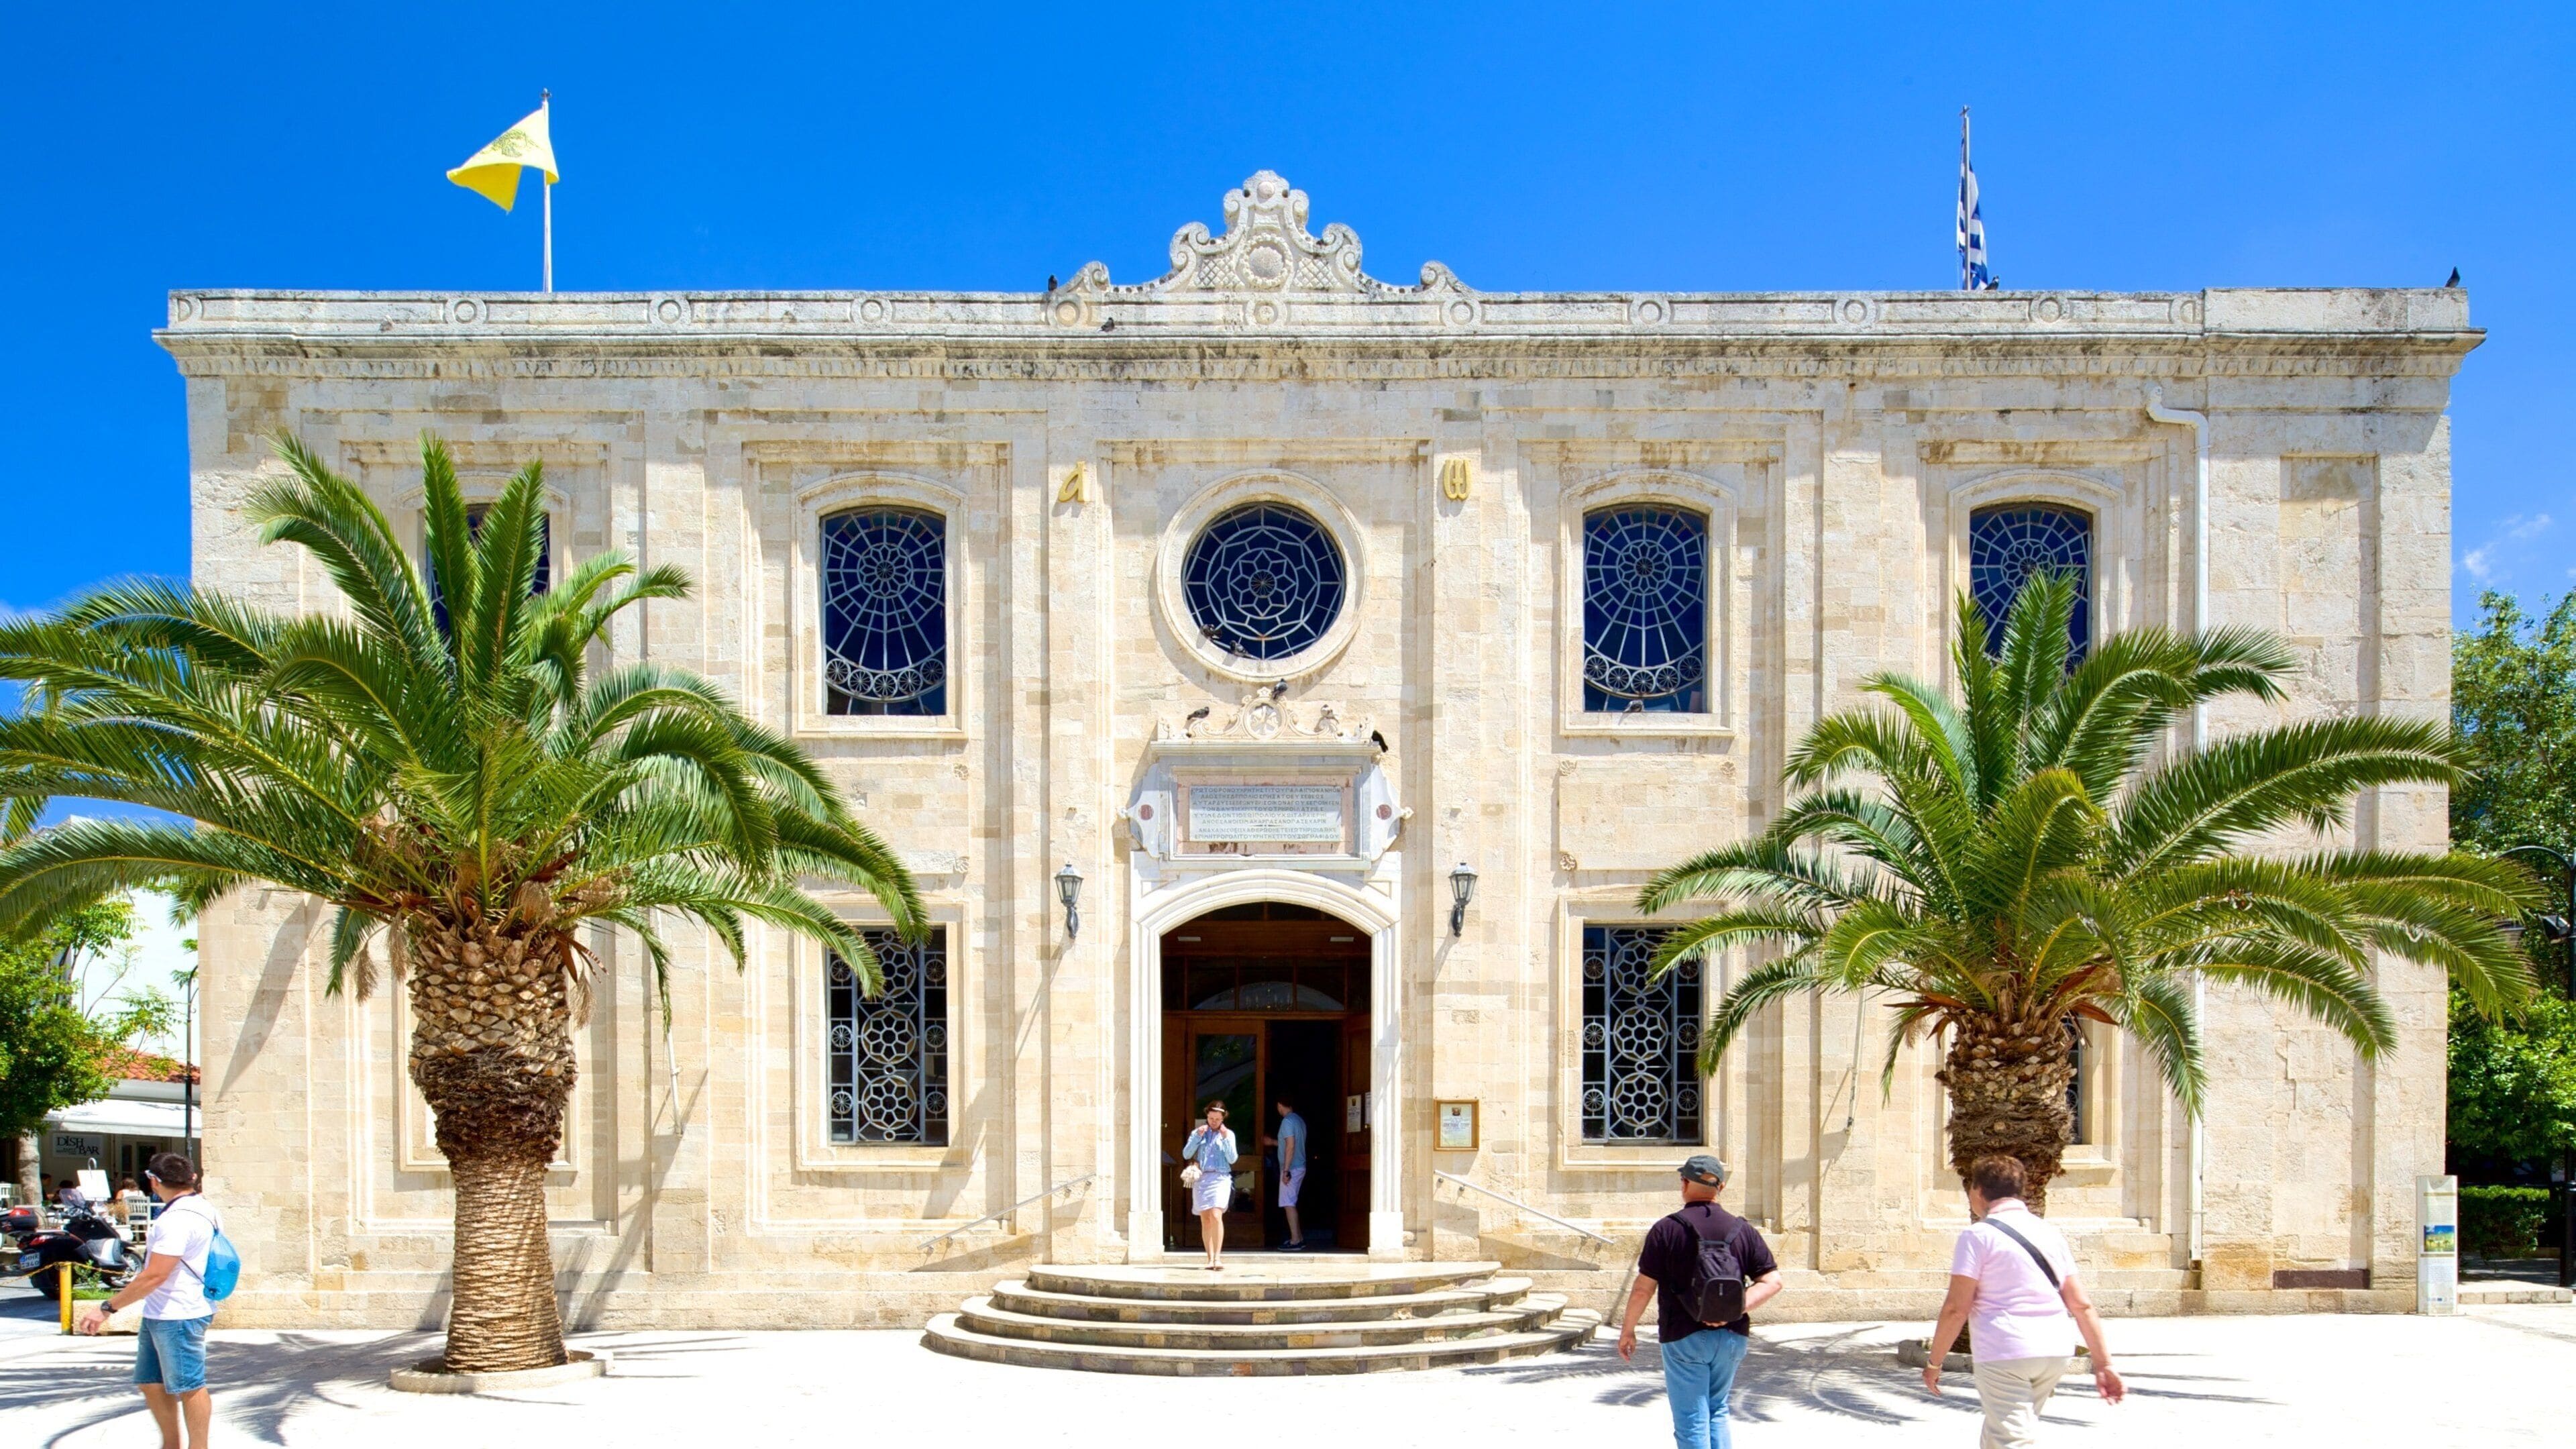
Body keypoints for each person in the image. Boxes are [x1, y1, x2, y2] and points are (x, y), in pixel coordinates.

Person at [1923, 1155, 2125, 1447]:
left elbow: (1957, 1308)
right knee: (2000, 1434)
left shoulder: (1978, 1236)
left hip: (2005, 1351)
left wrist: (1934, 1362)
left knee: (2012, 1439)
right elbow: (2081, 1305)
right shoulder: (2050, 1234)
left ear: (1978, 1191)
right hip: (2054, 1351)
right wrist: (2104, 1363)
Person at [1618, 1155, 1785, 1449]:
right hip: (1732, 1337)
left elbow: (1643, 1289)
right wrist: (1732, 1310)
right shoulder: (1742, 1230)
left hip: (1684, 1336)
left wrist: (1628, 1331)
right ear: (1720, 1186)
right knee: (1717, 1409)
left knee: (1691, 1419)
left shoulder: (1666, 1229)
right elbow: (1773, 1282)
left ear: (1684, 1183)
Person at [76, 1152, 223, 1449]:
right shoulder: (203, 1208)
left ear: (154, 1182)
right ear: (192, 1178)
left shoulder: (176, 1220)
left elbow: (154, 1276)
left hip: (179, 1313)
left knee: (189, 1386)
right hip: (163, 1311)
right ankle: (171, 1444)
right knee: (150, 1381)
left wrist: (106, 1308)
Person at [1180, 1102, 1238, 1271]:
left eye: (1217, 1119)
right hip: (1202, 1178)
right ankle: (1209, 1258)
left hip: (1220, 1177)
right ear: (1207, 1117)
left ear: (1223, 1119)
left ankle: (1218, 1258)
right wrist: (1197, 1136)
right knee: (1205, 1219)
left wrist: (1226, 1137)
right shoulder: (1198, 1133)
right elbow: (1186, 1154)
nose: (1214, 1122)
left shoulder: (1229, 1134)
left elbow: (1233, 1159)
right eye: (1211, 1118)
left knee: (1216, 1214)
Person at [1268, 1097, 1307, 1251]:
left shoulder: (1287, 1122)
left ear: (1279, 1105)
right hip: (1300, 1166)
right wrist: (1272, 1142)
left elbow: (1290, 1146)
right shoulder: (1299, 1121)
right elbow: (1289, 1143)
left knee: (1288, 1203)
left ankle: (1295, 1240)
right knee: (1291, 1202)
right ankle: (1299, 1238)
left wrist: (1286, 1170)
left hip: (1292, 1168)